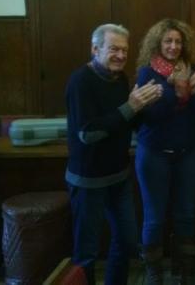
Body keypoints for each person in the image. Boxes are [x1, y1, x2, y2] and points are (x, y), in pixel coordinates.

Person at [65, 23, 163, 285]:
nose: (120, 55)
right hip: (88, 180)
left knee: (128, 242)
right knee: (86, 253)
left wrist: (144, 105)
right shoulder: (80, 81)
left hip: (118, 176)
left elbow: (125, 122)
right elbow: (89, 134)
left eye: (124, 50)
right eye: (113, 49)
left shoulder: (119, 79)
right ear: (95, 49)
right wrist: (131, 106)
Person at [134, 19, 195, 285]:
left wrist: (191, 89)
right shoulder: (147, 73)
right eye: (168, 41)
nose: (173, 46)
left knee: (186, 215)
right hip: (154, 154)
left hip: (188, 154)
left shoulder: (193, 70)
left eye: (178, 41)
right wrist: (179, 93)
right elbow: (151, 116)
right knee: (154, 219)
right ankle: (154, 275)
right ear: (158, 43)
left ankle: (186, 274)